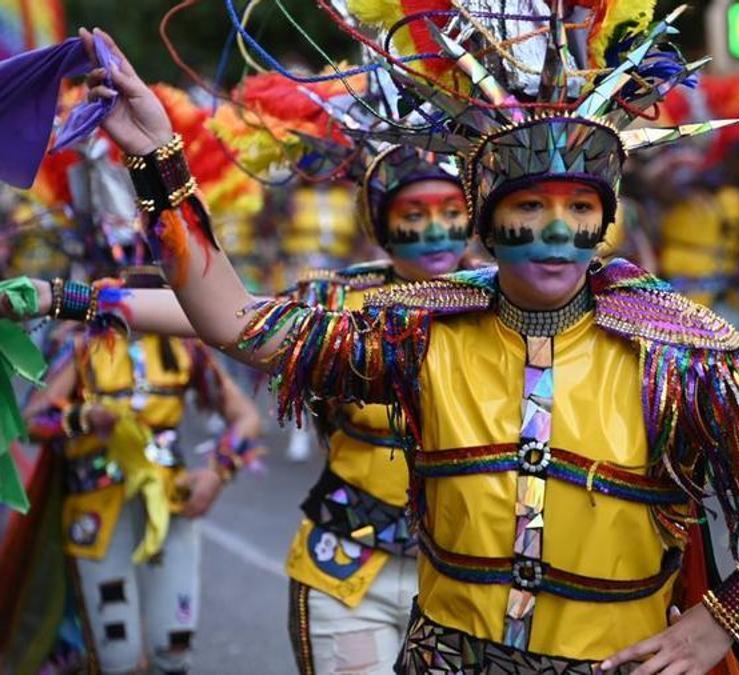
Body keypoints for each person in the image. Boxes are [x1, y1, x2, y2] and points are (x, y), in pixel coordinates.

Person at [53, 7, 739, 671]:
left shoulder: (675, 351)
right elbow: (239, 321)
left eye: (578, 213)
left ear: (603, 225)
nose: (557, 234)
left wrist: (721, 621)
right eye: (530, 211)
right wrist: (158, 162)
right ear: (488, 225)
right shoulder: (421, 331)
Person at [3, 80, 474, 672]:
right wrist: (62, 298)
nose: (434, 232)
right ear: (379, 223)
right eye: (413, 214)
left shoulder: (498, 306)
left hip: (471, 580)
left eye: (452, 214)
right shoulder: (333, 300)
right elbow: (226, 316)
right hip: (352, 565)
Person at [1, 131, 263, 674]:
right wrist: (84, 418)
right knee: (115, 653)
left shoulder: (188, 349)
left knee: (174, 645)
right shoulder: (86, 345)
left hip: (169, 503)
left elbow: (245, 417)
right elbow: (34, 420)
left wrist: (217, 473)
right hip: (97, 507)